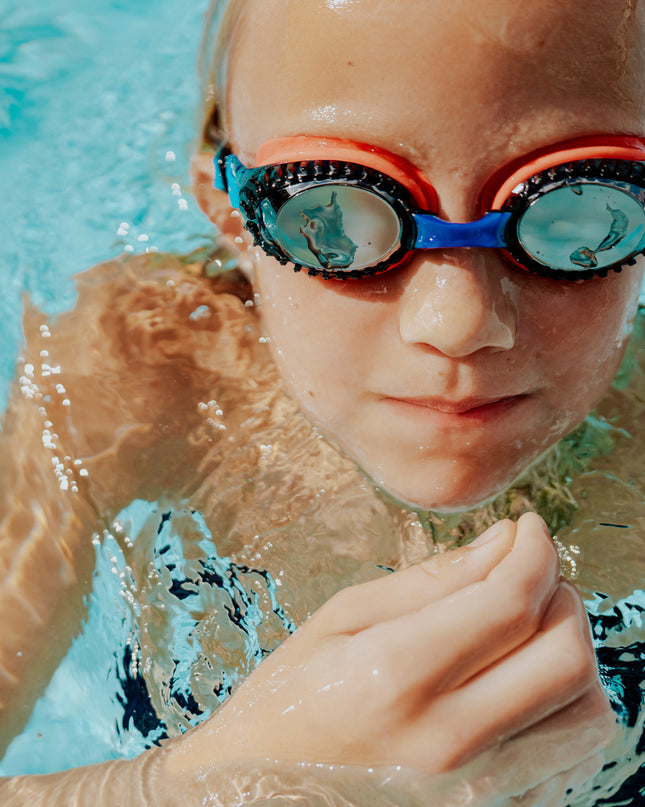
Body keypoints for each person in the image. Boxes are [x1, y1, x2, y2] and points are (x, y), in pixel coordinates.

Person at [1, 0, 644, 802]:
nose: (458, 323)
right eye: (333, 212)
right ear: (229, 210)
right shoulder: (143, 369)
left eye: (578, 208)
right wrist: (202, 781)